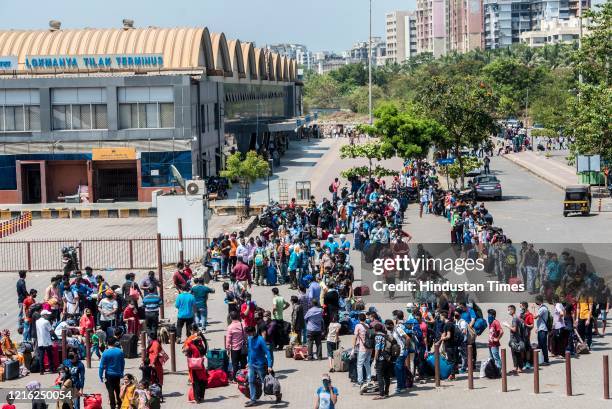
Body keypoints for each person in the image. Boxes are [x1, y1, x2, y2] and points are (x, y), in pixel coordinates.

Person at [244, 325, 274, 407]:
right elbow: (250, 351)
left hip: (260, 365)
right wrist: (248, 362)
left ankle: (277, 393)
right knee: (250, 381)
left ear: (254, 332)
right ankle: (253, 400)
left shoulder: (260, 339)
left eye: (249, 334)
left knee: (266, 383)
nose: (248, 336)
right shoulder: (249, 339)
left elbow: (267, 352)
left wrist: (269, 365)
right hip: (251, 365)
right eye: (248, 334)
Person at [99, 336, 126, 409]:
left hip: (109, 374)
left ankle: (113, 406)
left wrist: (100, 376)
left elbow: (101, 366)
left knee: (110, 391)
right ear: (115, 343)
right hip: (117, 374)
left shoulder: (105, 353)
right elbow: (122, 363)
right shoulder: (120, 351)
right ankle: (120, 404)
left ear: (107, 343)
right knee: (118, 389)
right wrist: (121, 372)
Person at [183, 324, 208, 403]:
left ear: (191, 330)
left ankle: (197, 398)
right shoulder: (200, 339)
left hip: (193, 364)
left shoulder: (190, 340)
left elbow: (184, 349)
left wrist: (192, 336)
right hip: (200, 363)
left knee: (195, 381)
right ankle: (201, 396)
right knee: (203, 379)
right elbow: (204, 349)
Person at [373, 321, 393, 400]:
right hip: (388, 358)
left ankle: (381, 394)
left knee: (380, 376)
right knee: (387, 376)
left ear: (375, 330)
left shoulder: (378, 336)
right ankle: (386, 392)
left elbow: (377, 348)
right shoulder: (386, 335)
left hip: (381, 358)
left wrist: (375, 359)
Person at [351, 313, 372, 386]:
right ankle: (369, 380)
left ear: (359, 319)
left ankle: (360, 381)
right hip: (369, 348)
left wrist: (353, 349)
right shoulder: (367, 326)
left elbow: (355, 337)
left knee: (359, 365)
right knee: (367, 364)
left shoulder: (358, 326)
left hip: (362, 348)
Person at [225, 310, 247, 379]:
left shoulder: (230, 327)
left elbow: (228, 339)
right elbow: (246, 335)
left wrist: (227, 348)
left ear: (231, 318)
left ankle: (235, 378)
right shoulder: (242, 324)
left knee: (235, 365)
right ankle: (244, 377)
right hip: (243, 348)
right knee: (243, 364)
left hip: (234, 349)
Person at [436, 311, 457, 380]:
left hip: (451, 345)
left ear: (443, 316)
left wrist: (443, 339)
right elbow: (444, 334)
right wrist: (439, 341)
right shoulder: (446, 324)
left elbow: (448, 336)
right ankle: (452, 373)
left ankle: (452, 375)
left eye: (440, 316)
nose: (440, 318)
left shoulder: (448, 325)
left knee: (451, 361)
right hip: (449, 345)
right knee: (450, 360)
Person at [504, 305, 524, 375]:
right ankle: (517, 368)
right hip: (517, 339)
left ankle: (518, 368)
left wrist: (507, 325)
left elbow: (514, 329)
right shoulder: (517, 318)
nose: (508, 311)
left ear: (513, 310)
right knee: (516, 354)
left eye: (509, 309)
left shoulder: (515, 319)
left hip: (515, 339)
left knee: (516, 354)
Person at [36, 310, 55, 375]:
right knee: (50, 356)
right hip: (47, 341)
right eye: (47, 314)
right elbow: (51, 331)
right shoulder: (46, 322)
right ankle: (52, 369)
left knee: (41, 356)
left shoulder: (37, 321)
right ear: (44, 315)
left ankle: (41, 370)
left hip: (40, 341)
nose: (48, 316)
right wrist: (55, 337)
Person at [534, 296, 550, 365]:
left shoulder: (542, 308)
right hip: (541, 329)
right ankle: (542, 360)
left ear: (539, 301)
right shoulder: (543, 308)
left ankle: (546, 360)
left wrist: (534, 309)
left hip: (543, 329)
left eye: (536, 300)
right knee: (540, 345)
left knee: (543, 345)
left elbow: (535, 317)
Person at [16, 270, 27, 335]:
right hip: (22, 299)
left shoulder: (18, 281)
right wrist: (28, 296)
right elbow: (24, 291)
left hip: (20, 298)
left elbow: (18, 291)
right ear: (24, 275)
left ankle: (21, 325)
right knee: (21, 313)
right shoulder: (22, 282)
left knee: (22, 312)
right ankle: (20, 326)